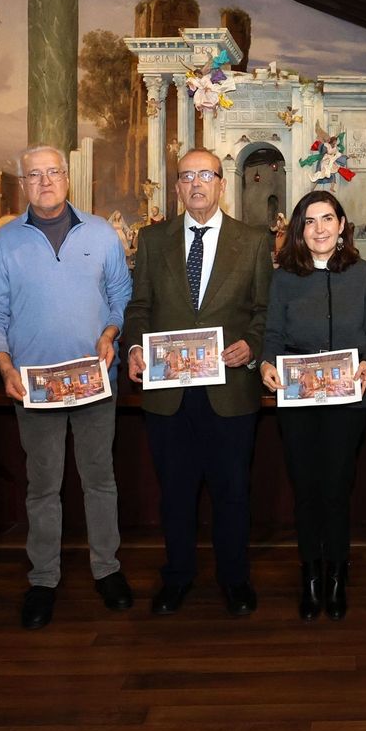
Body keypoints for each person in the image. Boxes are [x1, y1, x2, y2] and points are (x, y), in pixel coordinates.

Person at [0, 145, 132, 631]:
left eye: (54, 173)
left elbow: (120, 296)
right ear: (23, 184)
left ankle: (107, 570)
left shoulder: (102, 234)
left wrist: (111, 333)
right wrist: (4, 367)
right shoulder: (4, 243)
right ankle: (43, 579)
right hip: (34, 388)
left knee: (100, 482)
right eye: (34, 175)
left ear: (68, 178)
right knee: (43, 488)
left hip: (93, 383)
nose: (45, 182)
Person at [124, 148, 273, 618]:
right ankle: (178, 576)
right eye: (186, 177)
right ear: (177, 187)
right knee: (176, 492)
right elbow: (139, 308)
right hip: (168, 395)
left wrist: (251, 346)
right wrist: (133, 348)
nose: (195, 185)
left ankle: (235, 578)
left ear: (221, 183)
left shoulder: (251, 242)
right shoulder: (152, 241)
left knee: (232, 492)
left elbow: (264, 311)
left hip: (229, 391)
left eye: (204, 175)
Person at [260, 191, 366, 621]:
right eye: (310, 221)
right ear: (299, 229)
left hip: (349, 397)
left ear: (341, 224)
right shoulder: (284, 278)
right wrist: (265, 365)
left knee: (336, 487)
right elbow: (273, 335)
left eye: (327, 219)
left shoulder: (364, 274)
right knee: (306, 490)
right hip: (297, 398)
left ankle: (335, 572)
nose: (319, 229)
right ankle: (310, 574)